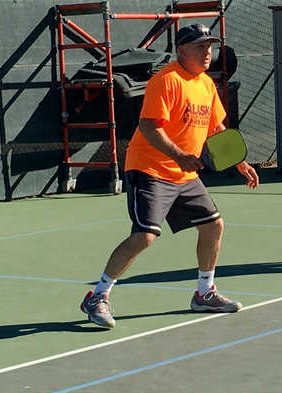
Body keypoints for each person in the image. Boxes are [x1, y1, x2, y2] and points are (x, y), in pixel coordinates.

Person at [80, 23, 259, 329]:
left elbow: (217, 130)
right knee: (145, 236)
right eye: (200, 47)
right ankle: (97, 296)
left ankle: (204, 293)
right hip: (150, 169)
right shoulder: (166, 80)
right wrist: (179, 155)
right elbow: (150, 126)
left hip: (183, 173)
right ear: (182, 50)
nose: (207, 53)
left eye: (209, 47)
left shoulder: (206, 84)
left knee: (213, 225)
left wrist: (238, 162)